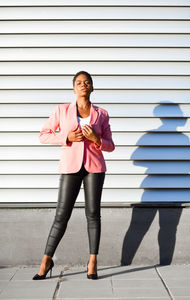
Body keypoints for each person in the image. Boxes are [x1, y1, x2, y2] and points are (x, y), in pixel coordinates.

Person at [32, 70, 115, 280]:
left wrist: (97, 139)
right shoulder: (62, 110)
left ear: (92, 87)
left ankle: (93, 261)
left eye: (87, 82)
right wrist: (66, 137)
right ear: (73, 88)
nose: (83, 85)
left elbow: (110, 146)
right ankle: (46, 260)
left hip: (95, 169)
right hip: (70, 168)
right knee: (61, 216)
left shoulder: (102, 114)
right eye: (79, 82)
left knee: (93, 215)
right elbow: (43, 135)